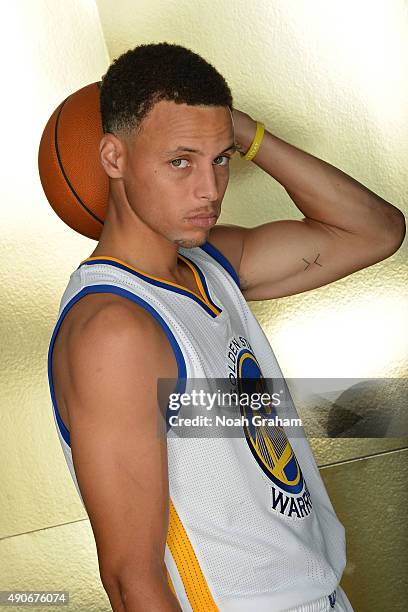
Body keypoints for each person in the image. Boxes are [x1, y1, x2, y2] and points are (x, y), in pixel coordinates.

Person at [48, 42, 405, 612]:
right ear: (113, 157)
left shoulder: (212, 263)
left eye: (221, 159)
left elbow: (377, 231)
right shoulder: (115, 332)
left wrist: (240, 130)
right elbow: (129, 579)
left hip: (321, 594)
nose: (210, 190)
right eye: (179, 161)